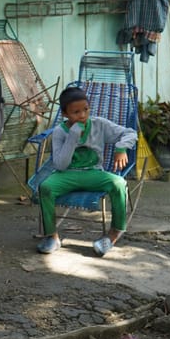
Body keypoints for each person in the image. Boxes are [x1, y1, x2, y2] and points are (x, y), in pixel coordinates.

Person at [36, 85, 137, 257]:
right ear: (65, 114)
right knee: (45, 187)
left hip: (93, 173)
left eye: (86, 109)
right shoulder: (60, 131)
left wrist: (121, 148)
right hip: (67, 174)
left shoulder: (99, 125)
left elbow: (130, 133)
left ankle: (114, 234)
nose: (82, 115)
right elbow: (60, 164)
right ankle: (52, 236)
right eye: (76, 112)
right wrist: (73, 137)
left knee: (119, 183)